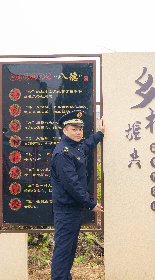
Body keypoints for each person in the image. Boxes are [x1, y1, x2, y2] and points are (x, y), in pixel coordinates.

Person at [50, 110, 105, 280]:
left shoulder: (75, 147)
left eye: (80, 129)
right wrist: (90, 203)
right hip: (66, 210)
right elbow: (72, 185)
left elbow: (87, 145)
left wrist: (100, 133)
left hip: (74, 210)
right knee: (63, 249)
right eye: (74, 129)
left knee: (70, 249)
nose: (79, 132)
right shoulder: (63, 153)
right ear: (65, 130)